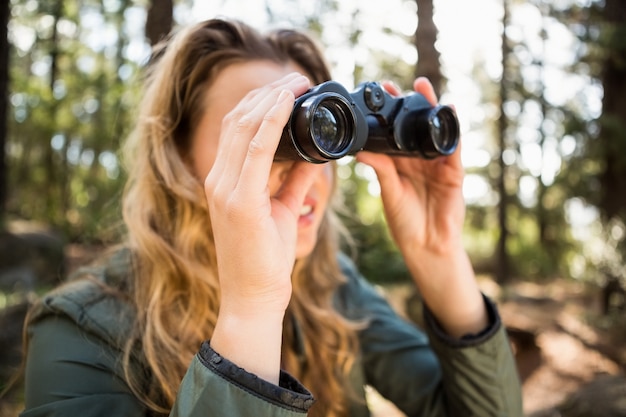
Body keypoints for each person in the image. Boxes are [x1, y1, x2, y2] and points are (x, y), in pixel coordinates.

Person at [19, 18, 523, 417]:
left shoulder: (331, 286)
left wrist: (440, 257)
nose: (303, 170)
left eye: (317, 136)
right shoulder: (80, 332)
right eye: (259, 135)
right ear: (178, 165)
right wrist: (251, 312)